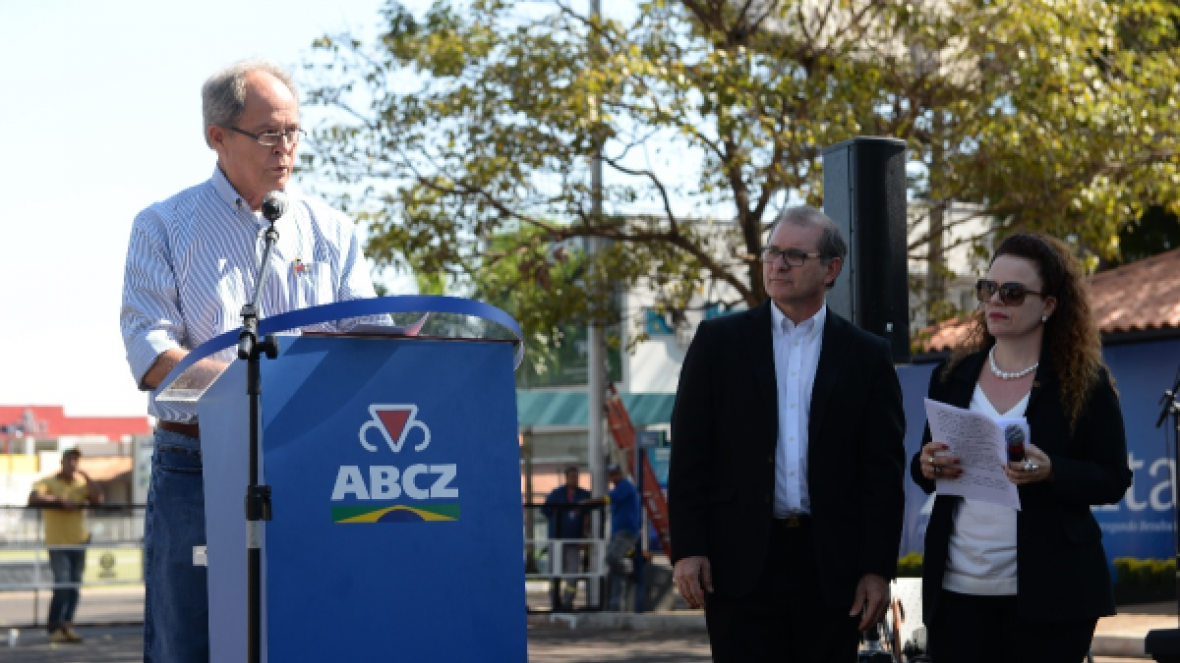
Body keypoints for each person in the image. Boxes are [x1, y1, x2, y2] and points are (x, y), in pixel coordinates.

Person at [120, 59, 382, 663]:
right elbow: (153, 352)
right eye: (269, 133)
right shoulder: (162, 226)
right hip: (199, 465)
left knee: (307, 632)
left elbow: (369, 339)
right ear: (217, 136)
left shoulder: (330, 230)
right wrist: (261, 392)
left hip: (314, 464)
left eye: (293, 131)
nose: (285, 148)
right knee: (191, 641)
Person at [668, 205, 906, 662]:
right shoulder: (718, 342)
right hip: (738, 564)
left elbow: (882, 472)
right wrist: (689, 549)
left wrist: (876, 569)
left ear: (831, 269)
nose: (777, 265)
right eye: (772, 252)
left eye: (794, 256)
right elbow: (690, 451)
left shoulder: (867, 355)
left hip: (830, 569)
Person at [911, 232, 1132, 663]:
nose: (995, 300)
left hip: (1052, 594)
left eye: (1012, 293)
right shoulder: (952, 375)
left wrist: (1053, 471)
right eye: (988, 289)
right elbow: (923, 468)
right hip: (957, 590)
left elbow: (1114, 478)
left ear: (1049, 305)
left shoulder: (1083, 383)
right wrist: (927, 465)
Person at [28, 448, 104, 643]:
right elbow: (34, 498)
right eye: (69, 459)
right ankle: (54, 626)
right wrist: (59, 501)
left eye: (76, 460)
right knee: (62, 584)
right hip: (58, 543)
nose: (72, 463)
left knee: (74, 587)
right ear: (62, 462)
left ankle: (67, 625)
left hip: (79, 541)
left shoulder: (81, 484)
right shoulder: (49, 482)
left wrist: (88, 478)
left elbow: (98, 500)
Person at [583, 464, 642, 611]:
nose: (613, 477)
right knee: (613, 571)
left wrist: (588, 502)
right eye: (611, 474)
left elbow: (608, 500)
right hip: (617, 533)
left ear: (621, 473)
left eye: (616, 474)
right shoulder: (617, 488)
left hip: (627, 532)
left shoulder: (626, 486)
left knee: (613, 558)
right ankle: (615, 604)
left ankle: (629, 570)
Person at [539, 466, 591, 610]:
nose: (574, 480)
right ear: (566, 478)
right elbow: (545, 511)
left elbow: (587, 517)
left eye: (576, 477)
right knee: (554, 573)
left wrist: (584, 536)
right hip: (556, 540)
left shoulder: (584, 495)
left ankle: (567, 602)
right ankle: (554, 602)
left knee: (573, 572)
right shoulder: (556, 494)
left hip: (574, 541)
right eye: (572, 477)